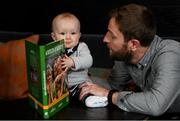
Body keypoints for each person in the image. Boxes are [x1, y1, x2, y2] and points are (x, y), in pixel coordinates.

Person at [79, 3, 180, 116]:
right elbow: (112, 86)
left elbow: (155, 105)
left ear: (133, 44)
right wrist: (78, 77)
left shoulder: (170, 54)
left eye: (112, 36)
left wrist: (111, 95)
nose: (105, 39)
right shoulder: (125, 55)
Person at [51, 12, 108, 107]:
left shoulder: (81, 47)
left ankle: (92, 99)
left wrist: (72, 61)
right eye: (62, 33)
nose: (68, 37)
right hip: (61, 87)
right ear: (54, 36)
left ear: (79, 35)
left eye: (73, 33)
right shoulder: (53, 50)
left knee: (85, 90)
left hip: (79, 83)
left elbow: (88, 60)